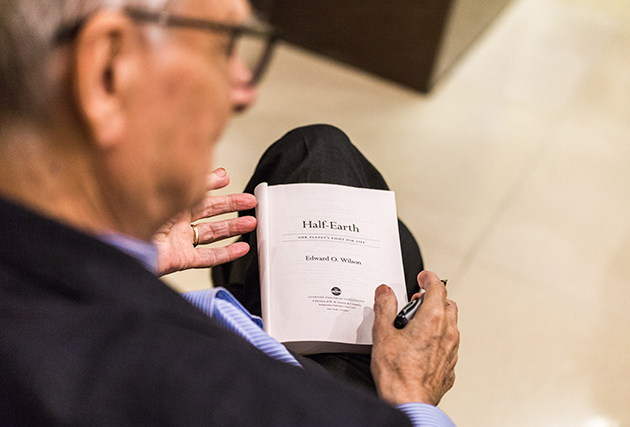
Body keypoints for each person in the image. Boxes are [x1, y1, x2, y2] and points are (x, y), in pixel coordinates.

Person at [0, 0, 460, 426]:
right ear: (107, 70)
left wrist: (120, 245)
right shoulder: (239, 400)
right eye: (224, 46)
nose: (243, 91)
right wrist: (409, 396)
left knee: (318, 147)